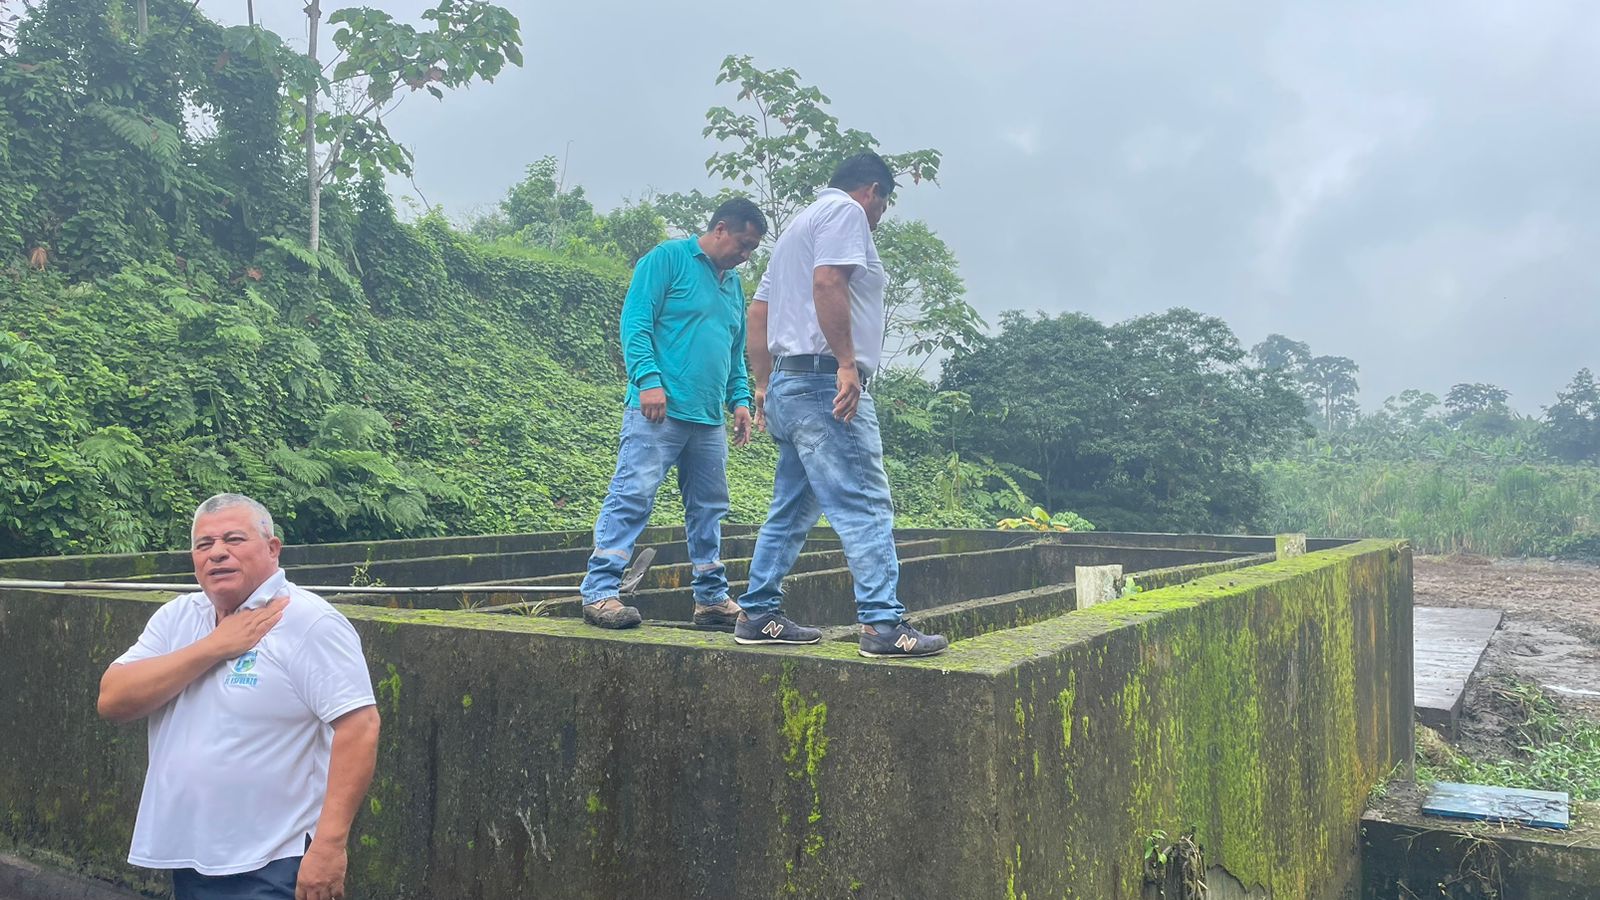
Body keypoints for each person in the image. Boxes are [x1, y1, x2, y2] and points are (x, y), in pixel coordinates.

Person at [97, 493, 380, 900]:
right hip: (191, 855)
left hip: (275, 859)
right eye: (204, 544)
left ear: (272, 548)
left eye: (233, 539)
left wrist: (329, 847)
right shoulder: (178, 617)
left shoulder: (308, 621)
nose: (217, 553)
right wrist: (214, 647)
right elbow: (113, 700)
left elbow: (360, 726)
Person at [733, 152, 949, 658]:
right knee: (865, 502)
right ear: (872, 191)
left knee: (791, 507)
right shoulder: (846, 212)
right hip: (826, 384)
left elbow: (758, 312)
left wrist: (763, 384)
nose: (879, 218)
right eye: (883, 205)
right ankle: (882, 624)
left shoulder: (795, 230)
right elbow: (829, 280)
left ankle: (757, 612)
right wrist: (847, 364)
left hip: (789, 385)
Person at [580, 197, 768, 629]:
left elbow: (733, 351)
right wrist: (648, 379)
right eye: (743, 244)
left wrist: (739, 400)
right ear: (720, 229)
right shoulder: (667, 259)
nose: (745, 255)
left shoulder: (732, 285)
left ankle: (711, 598)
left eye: (753, 249)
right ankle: (600, 592)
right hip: (658, 412)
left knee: (710, 507)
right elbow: (636, 322)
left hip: (707, 418)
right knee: (633, 494)